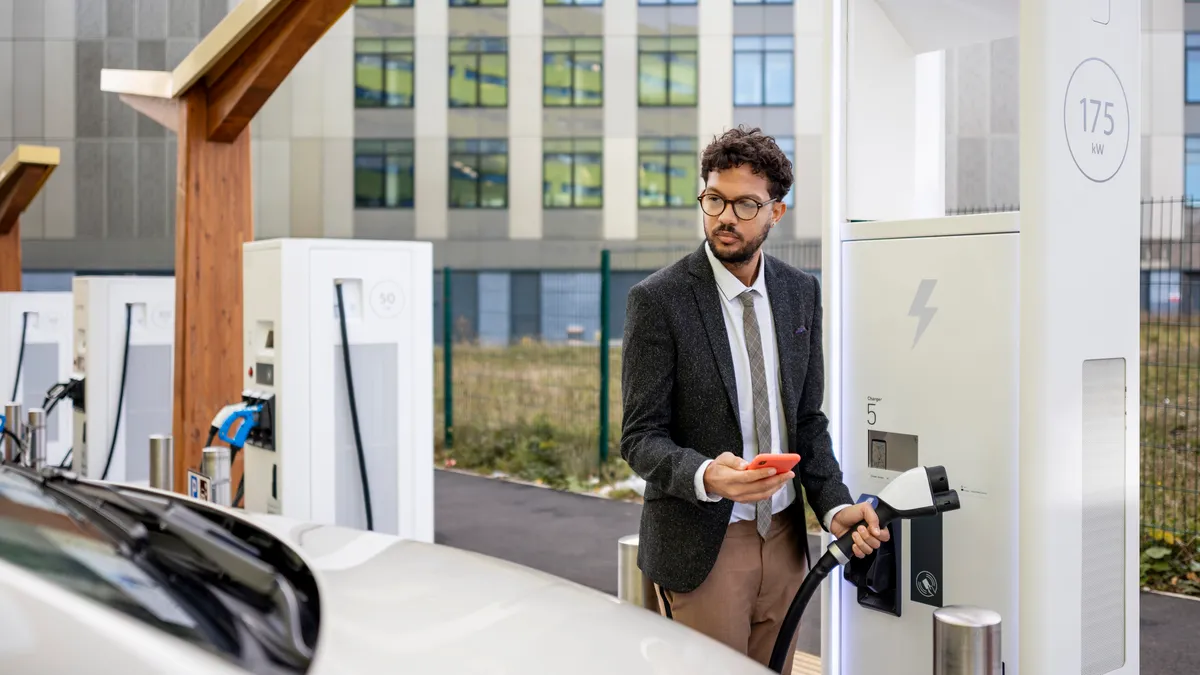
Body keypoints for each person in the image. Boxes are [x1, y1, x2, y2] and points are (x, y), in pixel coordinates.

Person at [620, 126, 889, 671]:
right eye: (714, 198)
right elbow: (639, 437)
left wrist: (835, 507)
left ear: (776, 213)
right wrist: (707, 476)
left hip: (787, 539)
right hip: (705, 544)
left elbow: (808, 422)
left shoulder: (800, 293)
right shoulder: (658, 300)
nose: (725, 216)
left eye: (746, 204)